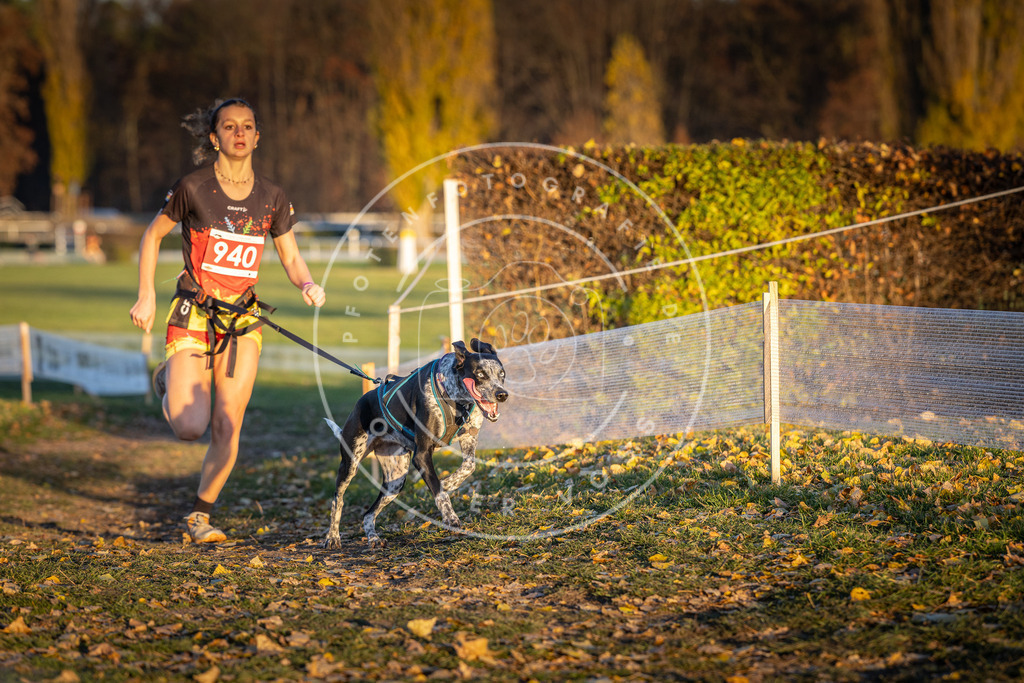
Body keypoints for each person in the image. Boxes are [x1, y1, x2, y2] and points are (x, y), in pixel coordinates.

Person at [129, 98, 326, 543]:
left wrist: (307, 284)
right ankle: (167, 379)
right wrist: (146, 295)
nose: (239, 133)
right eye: (229, 126)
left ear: (258, 136)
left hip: (243, 319)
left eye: (248, 126)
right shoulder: (193, 188)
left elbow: (290, 256)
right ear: (214, 137)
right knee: (189, 427)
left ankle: (200, 516)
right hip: (195, 311)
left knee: (227, 424)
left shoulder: (273, 197)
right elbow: (152, 236)